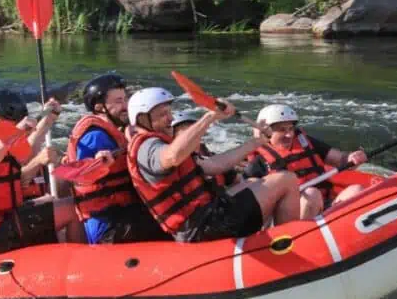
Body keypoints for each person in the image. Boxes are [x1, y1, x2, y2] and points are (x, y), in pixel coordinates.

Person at [126, 88, 304, 243]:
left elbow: (215, 165)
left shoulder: (160, 144)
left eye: (169, 112)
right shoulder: (147, 147)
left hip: (207, 216)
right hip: (204, 227)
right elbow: (171, 158)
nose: (170, 118)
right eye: (163, 114)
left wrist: (256, 142)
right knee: (286, 180)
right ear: (142, 118)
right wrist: (209, 118)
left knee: (252, 182)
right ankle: (286, 246)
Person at [0, 89, 85, 254]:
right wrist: (16, 131)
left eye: (14, 123)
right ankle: (79, 261)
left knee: (60, 202)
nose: (10, 128)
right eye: (7, 124)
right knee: (71, 210)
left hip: (0, 220)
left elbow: (24, 155)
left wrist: (47, 120)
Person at [65, 74, 170, 244]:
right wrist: (98, 165)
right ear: (100, 107)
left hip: (123, 213)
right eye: (119, 101)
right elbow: (83, 176)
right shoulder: (95, 137)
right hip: (108, 226)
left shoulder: (116, 131)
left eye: (125, 99)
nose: (126, 105)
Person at [244, 104, 368, 218]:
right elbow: (251, 204)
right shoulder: (257, 161)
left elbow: (342, 159)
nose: (289, 135)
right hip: (289, 216)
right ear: (266, 132)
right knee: (312, 194)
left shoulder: (304, 142)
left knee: (356, 190)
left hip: (324, 204)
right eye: (282, 130)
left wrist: (352, 157)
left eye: (291, 129)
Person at [170, 111, 242, 187]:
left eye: (194, 132)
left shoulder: (204, 153)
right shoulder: (177, 165)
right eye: (187, 135)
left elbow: (234, 177)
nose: (192, 138)